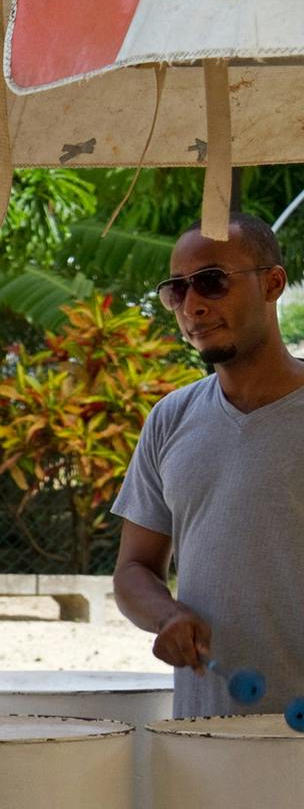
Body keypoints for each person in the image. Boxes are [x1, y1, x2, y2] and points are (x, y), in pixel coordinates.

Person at [113, 211, 304, 716]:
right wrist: (166, 616)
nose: (192, 306)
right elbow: (133, 568)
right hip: (207, 736)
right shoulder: (170, 419)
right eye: (177, 290)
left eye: (212, 282)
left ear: (273, 284)